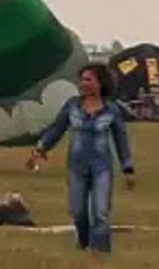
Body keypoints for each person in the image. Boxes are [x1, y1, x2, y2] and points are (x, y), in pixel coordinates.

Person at [26, 63, 135, 254]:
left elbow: (121, 140)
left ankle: (99, 253)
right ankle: (84, 244)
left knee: (100, 212)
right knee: (78, 213)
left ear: (100, 83)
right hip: (76, 167)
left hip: (102, 168)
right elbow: (57, 129)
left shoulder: (112, 110)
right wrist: (41, 148)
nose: (83, 84)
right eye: (82, 79)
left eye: (88, 80)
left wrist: (128, 168)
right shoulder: (72, 106)